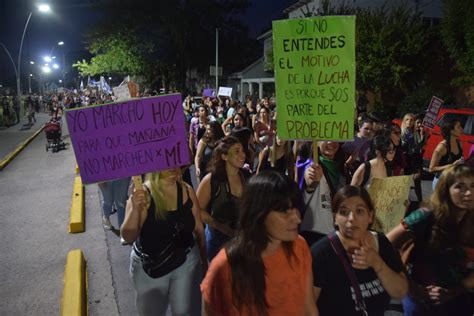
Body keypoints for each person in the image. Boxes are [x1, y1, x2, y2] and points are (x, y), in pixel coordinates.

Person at [201, 171, 318, 315]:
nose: (297, 219)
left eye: (296, 209)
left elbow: (309, 308)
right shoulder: (225, 265)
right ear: (258, 214)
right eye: (284, 212)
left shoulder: (300, 246)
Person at [388, 163, 474, 315]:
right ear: (446, 190)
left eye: (473, 186)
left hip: (458, 300)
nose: (468, 193)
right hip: (422, 301)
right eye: (459, 186)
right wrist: (414, 288)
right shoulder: (425, 215)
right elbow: (386, 245)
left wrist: (455, 291)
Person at [121, 168, 206, 316]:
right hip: (151, 269)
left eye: (175, 161)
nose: (173, 166)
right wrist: (134, 209)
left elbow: (198, 228)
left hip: (187, 263)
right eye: (167, 162)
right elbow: (128, 237)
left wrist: (204, 261)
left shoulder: (187, 190)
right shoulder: (143, 195)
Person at [312, 185, 408, 316]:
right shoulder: (321, 254)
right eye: (344, 212)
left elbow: (400, 291)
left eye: (360, 211)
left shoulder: (381, 243)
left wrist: (378, 264)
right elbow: (308, 307)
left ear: (370, 216)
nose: (351, 218)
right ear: (334, 217)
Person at [196, 136, 249, 261]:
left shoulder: (247, 177)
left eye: (242, 151)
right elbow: (198, 209)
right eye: (236, 152)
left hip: (242, 239)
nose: (242, 155)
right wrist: (218, 225)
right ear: (224, 156)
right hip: (217, 241)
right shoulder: (211, 180)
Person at [300, 141, 346, 246]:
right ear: (316, 143)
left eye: (334, 138)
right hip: (314, 233)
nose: (331, 142)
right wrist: (312, 179)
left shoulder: (342, 167)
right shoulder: (311, 167)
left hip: (334, 232)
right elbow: (309, 182)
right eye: (325, 138)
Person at [429, 119, 464, 190]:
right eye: (459, 127)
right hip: (441, 182)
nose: (462, 129)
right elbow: (431, 169)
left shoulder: (459, 143)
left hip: (453, 182)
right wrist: (452, 166)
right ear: (451, 131)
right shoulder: (442, 147)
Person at [98, 177, 131, 244]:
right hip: (105, 175)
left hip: (123, 173)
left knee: (121, 203)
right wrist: (98, 179)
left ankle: (122, 232)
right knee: (108, 201)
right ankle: (106, 218)